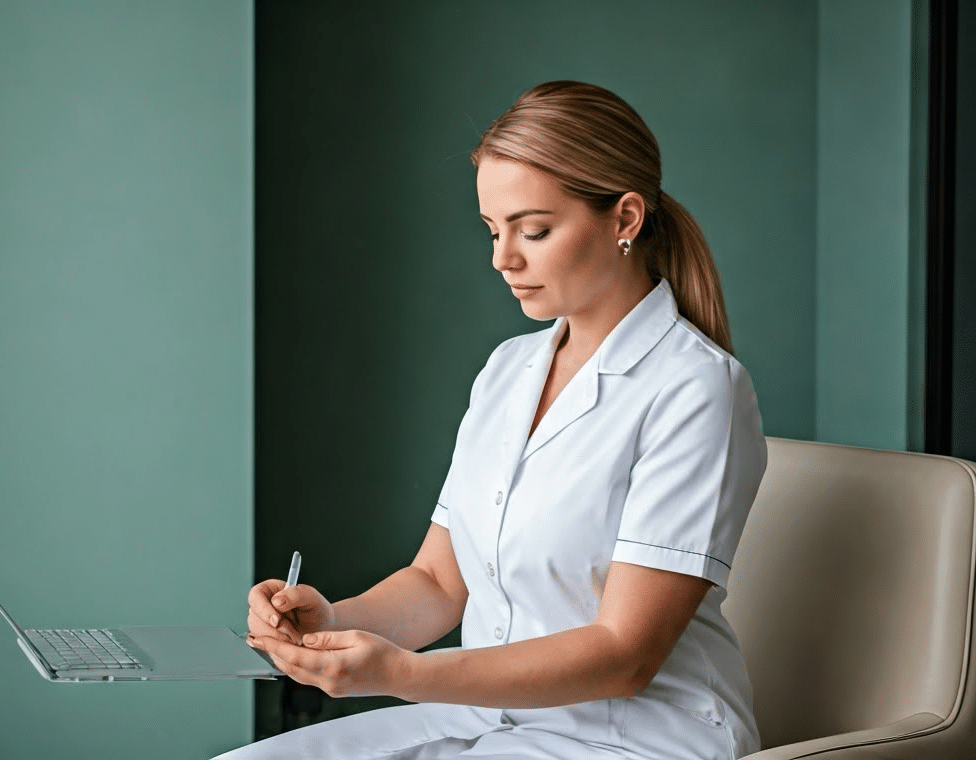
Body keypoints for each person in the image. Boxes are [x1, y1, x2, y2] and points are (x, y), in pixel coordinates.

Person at [218, 80, 767, 760]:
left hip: (636, 737)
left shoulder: (695, 387)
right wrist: (328, 622)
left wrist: (403, 674)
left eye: (533, 230)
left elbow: (624, 654)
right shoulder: (509, 369)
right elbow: (441, 584)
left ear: (625, 219)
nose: (502, 259)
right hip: (493, 720)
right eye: (493, 229)